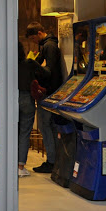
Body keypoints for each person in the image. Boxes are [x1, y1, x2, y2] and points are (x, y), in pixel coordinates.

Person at [26, 21, 63, 173]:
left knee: (45, 126)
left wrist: (35, 67)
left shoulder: (49, 46)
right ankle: (55, 160)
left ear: (39, 33)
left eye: (33, 38)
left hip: (49, 92)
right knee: (50, 126)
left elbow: (49, 70)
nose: (34, 42)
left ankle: (52, 160)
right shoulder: (48, 45)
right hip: (52, 91)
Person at [17, 41, 51, 177]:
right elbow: (46, 73)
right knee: (24, 133)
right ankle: (20, 167)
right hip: (26, 99)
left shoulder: (6, 64)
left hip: (10, 99)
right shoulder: (29, 63)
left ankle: (10, 163)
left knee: (12, 133)